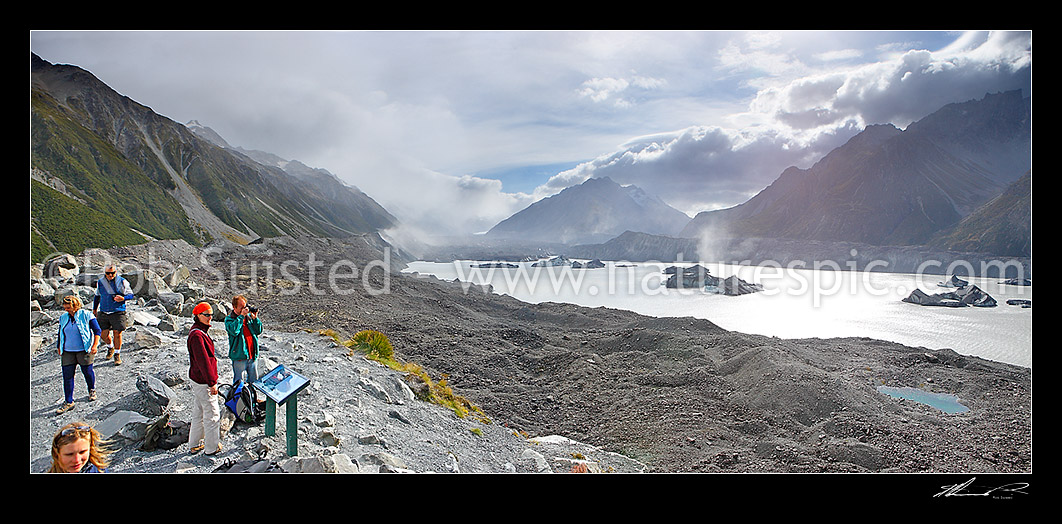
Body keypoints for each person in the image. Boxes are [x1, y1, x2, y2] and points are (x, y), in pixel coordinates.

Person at [187, 302, 223, 455]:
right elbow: (204, 361)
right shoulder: (197, 335)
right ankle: (211, 447)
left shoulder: (197, 331)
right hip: (203, 381)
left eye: (211, 315)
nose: (210, 318)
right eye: (206, 315)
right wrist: (212, 382)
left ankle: (194, 443)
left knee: (199, 412)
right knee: (212, 414)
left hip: (197, 379)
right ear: (198, 315)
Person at [56, 295, 101, 414]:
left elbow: (97, 331)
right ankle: (69, 401)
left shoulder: (86, 315)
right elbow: (60, 333)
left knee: (87, 371)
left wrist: (95, 345)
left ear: (75, 306)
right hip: (67, 351)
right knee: (67, 376)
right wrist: (59, 346)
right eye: (65, 308)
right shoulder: (63, 317)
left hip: (84, 350)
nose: (66, 310)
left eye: (69, 308)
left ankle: (92, 390)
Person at [93, 264, 134, 365]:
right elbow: (97, 295)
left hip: (118, 311)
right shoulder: (100, 282)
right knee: (103, 334)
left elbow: (131, 295)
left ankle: (117, 354)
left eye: (112, 273)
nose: (110, 275)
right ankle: (110, 346)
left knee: (117, 332)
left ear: (116, 272)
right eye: (108, 273)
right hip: (103, 311)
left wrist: (123, 298)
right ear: (105, 273)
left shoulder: (122, 281)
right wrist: (94, 309)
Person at [225, 295, 263, 386]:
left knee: (254, 381)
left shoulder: (249, 318)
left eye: (245, 306)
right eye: (241, 307)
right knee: (239, 382)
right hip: (239, 357)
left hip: (252, 355)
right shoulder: (229, 319)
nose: (244, 309)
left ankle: (253, 398)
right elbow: (234, 331)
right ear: (234, 307)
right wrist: (241, 316)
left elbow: (259, 331)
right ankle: (238, 399)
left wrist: (255, 319)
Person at [48, 422, 112, 473]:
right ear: (56, 454)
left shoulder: (99, 470)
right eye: (69, 454)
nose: (77, 460)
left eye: (82, 452)